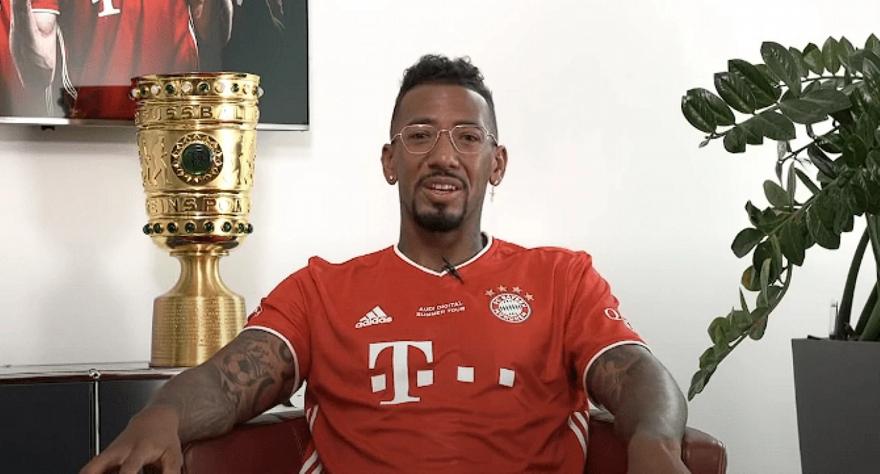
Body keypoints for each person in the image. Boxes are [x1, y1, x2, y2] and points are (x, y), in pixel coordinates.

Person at [81, 55, 690, 474]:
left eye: (467, 137)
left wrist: (656, 441)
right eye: (420, 135)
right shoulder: (321, 292)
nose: (444, 156)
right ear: (389, 161)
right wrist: (162, 415)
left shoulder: (561, 280)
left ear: (497, 163)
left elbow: (637, 372)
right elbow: (227, 380)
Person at [10, 0, 232, 119]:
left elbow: (215, 36)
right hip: (98, 127)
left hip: (175, 120)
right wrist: (20, 6)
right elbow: (38, 72)